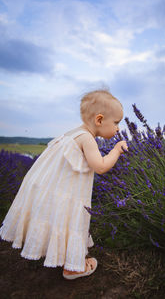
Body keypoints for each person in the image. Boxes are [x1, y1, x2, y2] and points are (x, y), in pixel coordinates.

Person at [0, 89, 128, 280]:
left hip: (48, 187)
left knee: (57, 219)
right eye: (116, 122)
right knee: (72, 221)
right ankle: (73, 268)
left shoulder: (73, 133)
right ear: (99, 120)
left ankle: (52, 253)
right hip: (68, 193)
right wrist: (116, 150)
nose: (118, 128)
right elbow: (100, 166)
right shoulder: (87, 139)